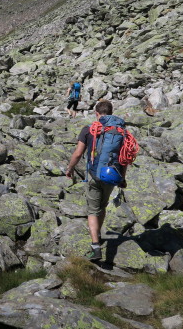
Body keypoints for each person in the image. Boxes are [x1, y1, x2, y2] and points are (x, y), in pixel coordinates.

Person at [65, 100, 127, 261]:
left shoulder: (88, 129)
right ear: (111, 112)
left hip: (93, 175)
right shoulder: (120, 131)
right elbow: (124, 158)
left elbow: (78, 153)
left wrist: (70, 169)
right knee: (102, 206)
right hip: (112, 176)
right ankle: (98, 233)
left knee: (92, 210)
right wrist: (122, 178)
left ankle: (95, 246)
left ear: (97, 113)